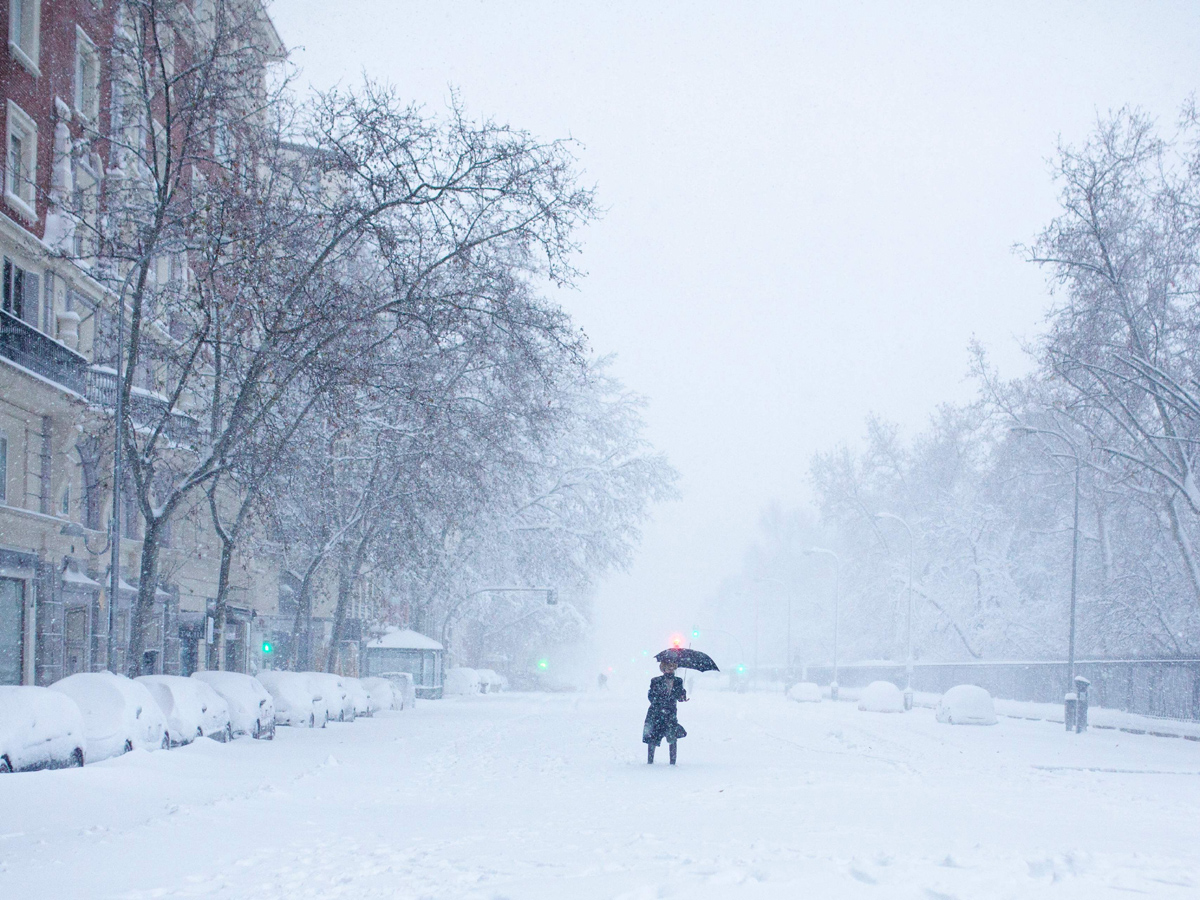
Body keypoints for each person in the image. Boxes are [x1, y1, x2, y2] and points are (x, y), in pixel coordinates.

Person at [643, 659, 688, 764]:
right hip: (656, 714)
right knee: (652, 737)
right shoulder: (655, 681)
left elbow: (679, 695)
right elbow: (651, 696)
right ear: (663, 669)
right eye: (668, 667)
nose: (671, 669)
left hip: (670, 714)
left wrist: (682, 696)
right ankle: (650, 761)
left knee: (672, 736)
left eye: (673, 667)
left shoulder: (678, 681)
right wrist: (661, 703)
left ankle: (673, 762)